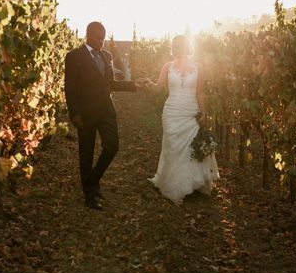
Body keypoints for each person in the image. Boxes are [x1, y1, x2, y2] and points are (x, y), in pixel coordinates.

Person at [64, 22, 137, 210]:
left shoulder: (107, 56)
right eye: (98, 37)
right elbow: (70, 87)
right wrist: (74, 113)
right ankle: (89, 196)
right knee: (86, 154)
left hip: (106, 111)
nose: (101, 42)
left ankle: (93, 179)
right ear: (88, 36)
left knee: (112, 147)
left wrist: (135, 84)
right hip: (85, 114)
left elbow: (110, 84)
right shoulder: (74, 57)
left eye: (103, 37)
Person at [140, 35, 219, 204]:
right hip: (171, 112)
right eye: (173, 46)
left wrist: (204, 112)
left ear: (185, 47)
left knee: (190, 147)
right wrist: (148, 82)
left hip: (191, 111)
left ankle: (191, 183)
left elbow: (200, 93)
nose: (174, 49)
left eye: (177, 46)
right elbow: (158, 88)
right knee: (174, 146)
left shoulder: (199, 68)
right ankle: (173, 187)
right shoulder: (167, 67)